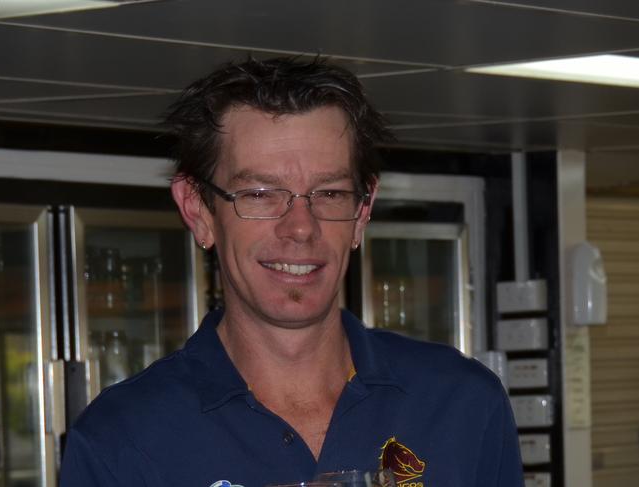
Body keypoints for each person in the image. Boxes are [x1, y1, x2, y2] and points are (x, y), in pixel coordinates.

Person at [59, 57, 524, 487]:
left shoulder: (462, 403)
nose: (301, 227)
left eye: (330, 194)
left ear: (363, 212)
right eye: (260, 194)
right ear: (199, 209)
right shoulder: (120, 440)